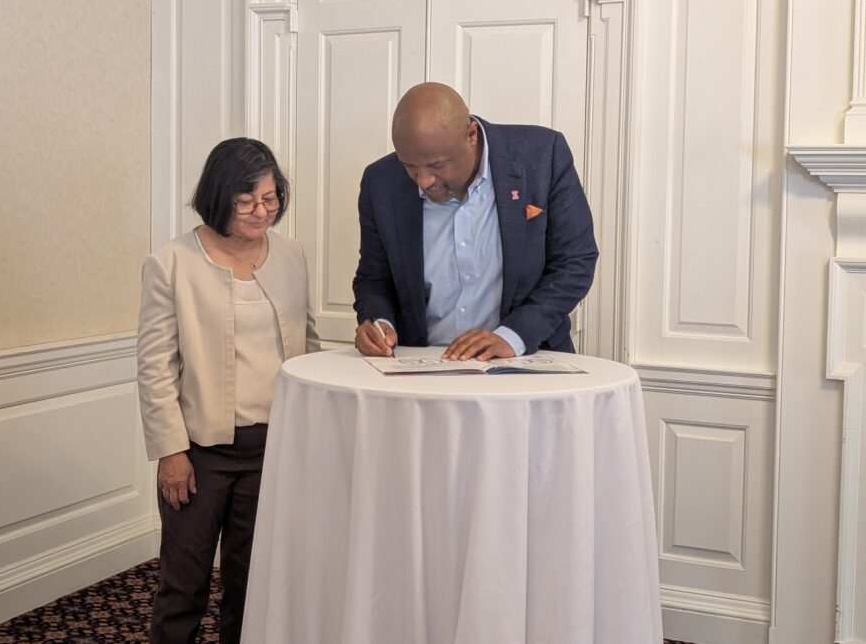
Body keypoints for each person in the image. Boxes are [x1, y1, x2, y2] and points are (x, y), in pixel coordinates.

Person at [137, 138, 320, 644]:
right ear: (219, 198)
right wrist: (170, 452)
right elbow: (154, 368)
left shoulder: (291, 255)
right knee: (184, 583)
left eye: (270, 198)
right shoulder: (171, 263)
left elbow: (305, 345)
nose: (262, 211)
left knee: (252, 583)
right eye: (247, 202)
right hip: (200, 454)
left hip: (272, 446)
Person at [353, 82, 597, 360]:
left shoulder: (542, 155)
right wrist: (379, 323)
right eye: (409, 165)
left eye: (436, 165)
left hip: (527, 361)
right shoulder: (380, 181)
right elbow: (374, 277)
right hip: (420, 368)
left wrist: (512, 336)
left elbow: (576, 261)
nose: (423, 181)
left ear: (471, 135)